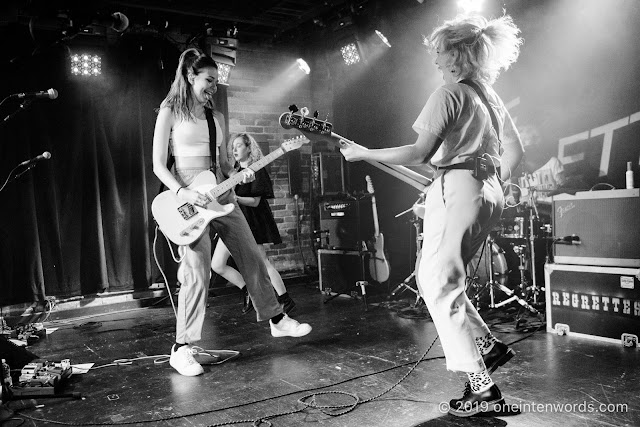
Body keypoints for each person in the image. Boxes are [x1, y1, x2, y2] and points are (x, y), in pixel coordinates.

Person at [339, 15, 524, 416]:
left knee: (437, 284)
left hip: (459, 190)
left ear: (457, 55)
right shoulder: (488, 96)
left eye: (440, 54)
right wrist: (488, 181)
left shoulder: (449, 93)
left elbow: (419, 153)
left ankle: (482, 387)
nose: (436, 62)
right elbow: (516, 151)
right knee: (443, 281)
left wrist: (364, 153)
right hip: (486, 192)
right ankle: (487, 347)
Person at [152, 48, 311, 377]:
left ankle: (278, 320)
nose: (213, 87)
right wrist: (183, 192)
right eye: (208, 81)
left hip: (221, 196)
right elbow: (157, 165)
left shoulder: (215, 118)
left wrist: (242, 173)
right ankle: (182, 349)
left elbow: (223, 166)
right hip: (187, 201)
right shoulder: (169, 112)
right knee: (198, 274)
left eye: (216, 82)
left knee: (252, 256)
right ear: (190, 77)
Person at [211, 133, 296, 315]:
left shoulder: (257, 169)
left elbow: (256, 202)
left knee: (262, 262)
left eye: (239, 146)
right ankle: (247, 290)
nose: (234, 150)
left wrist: (236, 198)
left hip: (252, 220)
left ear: (249, 148)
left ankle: (285, 299)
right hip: (232, 219)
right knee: (217, 264)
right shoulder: (231, 170)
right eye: (233, 146)